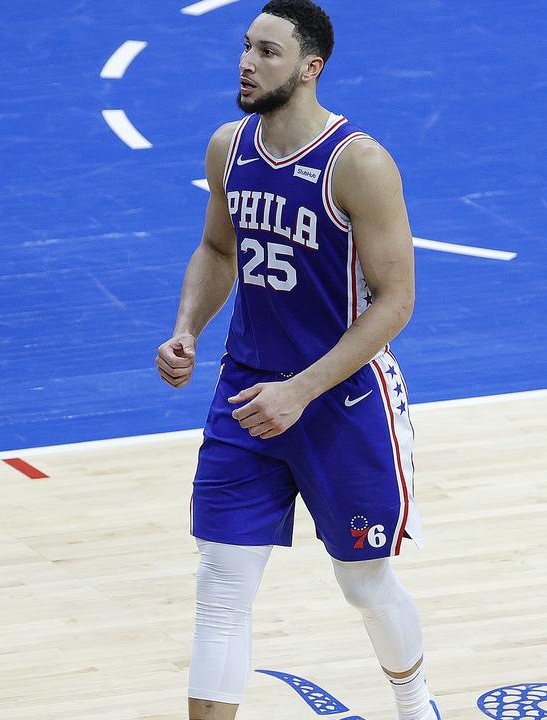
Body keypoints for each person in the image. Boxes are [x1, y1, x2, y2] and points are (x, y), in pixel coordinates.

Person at [155, 2, 438, 718]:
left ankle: (415, 703)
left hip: (340, 401)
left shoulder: (359, 163)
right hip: (248, 392)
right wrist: (187, 327)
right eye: (246, 47)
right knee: (220, 584)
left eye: (268, 52)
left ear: (310, 68)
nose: (247, 62)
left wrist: (301, 391)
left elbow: (396, 301)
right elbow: (220, 250)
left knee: (363, 583)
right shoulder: (229, 146)